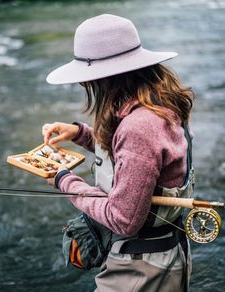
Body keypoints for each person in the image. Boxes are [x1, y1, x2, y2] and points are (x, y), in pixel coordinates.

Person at [42, 14, 195, 292]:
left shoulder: (140, 126)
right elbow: (135, 159)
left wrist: (65, 180)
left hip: (142, 266)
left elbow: (123, 219)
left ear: (104, 78)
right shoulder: (157, 102)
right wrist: (80, 134)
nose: (84, 85)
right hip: (160, 254)